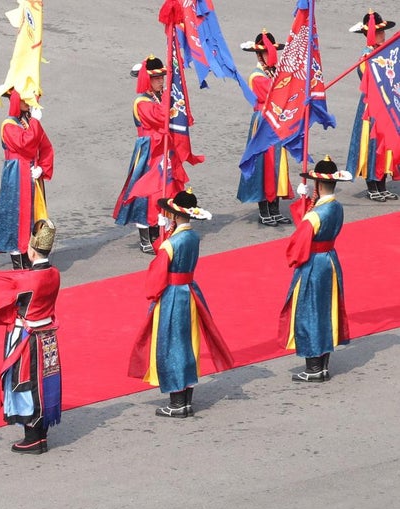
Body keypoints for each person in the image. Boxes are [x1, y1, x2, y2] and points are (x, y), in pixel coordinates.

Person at [128, 190, 233, 418]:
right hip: (190, 293)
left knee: (171, 346)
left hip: (172, 295)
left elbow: (158, 271)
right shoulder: (192, 237)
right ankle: (186, 400)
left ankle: (176, 402)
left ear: (175, 215)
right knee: (187, 344)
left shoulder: (171, 243)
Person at [0, 220, 62, 454]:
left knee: (25, 382)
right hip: (47, 335)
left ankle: (32, 436)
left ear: (31, 249)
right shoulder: (54, 273)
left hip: (27, 336)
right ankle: (40, 433)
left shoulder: (28, 280)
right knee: (45, 381)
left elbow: (0, 296)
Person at [113, 55, 195, 255]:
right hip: (150, 150)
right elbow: (161, 117)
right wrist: (171, 95)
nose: (161, 81)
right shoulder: (142, 102)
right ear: (147, 80)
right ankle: (145, 237)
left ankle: (161, 230)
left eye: (162, 77)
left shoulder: (158, 97)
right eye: (157, 78)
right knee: (146, 192)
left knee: (167, 187)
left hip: (165, 148)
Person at [280, 156, 352, 382]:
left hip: (313, 264)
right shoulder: (336, 207)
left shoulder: (314, 215)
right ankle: (323, 365)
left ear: (318, 185)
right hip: (330, 261)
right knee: (326, 311)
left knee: (308, 313)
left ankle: (313, 368)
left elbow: (298, 243)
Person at [0, 89, 55, 269]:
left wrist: (42, 167)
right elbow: (25, 144)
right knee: (14, 217)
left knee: (33, 215)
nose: (28, 103)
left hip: (32, 174)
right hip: (17, 175)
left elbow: (45, 146)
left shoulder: (27, 122)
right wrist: (36, 122)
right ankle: (19, 262)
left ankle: (31, 254)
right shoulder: (8, 124)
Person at [237, 30, 293, 225]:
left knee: (277, 164)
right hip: (263, 121)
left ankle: (275, 208)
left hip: (276, 121)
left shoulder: (273, 72)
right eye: (269, 52)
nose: (273, 56)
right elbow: (275, 94)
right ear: (260, 54)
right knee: (264, 166)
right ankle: (264, 210)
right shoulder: (256, 76)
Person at [346, 11, 398, 202]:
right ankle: (372, 184)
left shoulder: (385, 52)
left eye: (383, 31)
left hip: (386, 104)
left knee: (384, 145)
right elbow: (367, 80)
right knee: (371, 144)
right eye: (379, 31)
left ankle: (382, 183)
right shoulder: (367, 56)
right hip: (372, 105)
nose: (383, 35)